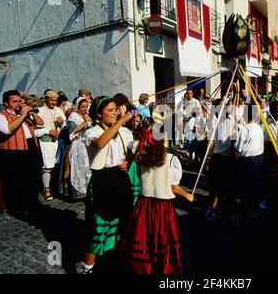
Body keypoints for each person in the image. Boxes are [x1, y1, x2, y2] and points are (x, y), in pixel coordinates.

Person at [120, 117, 193, 274]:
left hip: (143, 205)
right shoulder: (171, 159)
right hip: (163, 208)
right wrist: (187, 195)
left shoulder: (140, 158)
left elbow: (140, 177)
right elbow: (173, 187)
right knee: (162, 239)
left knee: (144, 238)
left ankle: (143, 268)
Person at [77, 96, 134, 274]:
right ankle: (87, 267)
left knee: (121, 223)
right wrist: (122, 121)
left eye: (116, 109)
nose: (115, 113)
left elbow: (132, 153)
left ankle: (115, 259)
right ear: (98, 113)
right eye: (109, 110)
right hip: (102, 182)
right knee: (98, 227)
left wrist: (129, 162)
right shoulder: (91, 132)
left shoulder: (125, 132)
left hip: (121, 180)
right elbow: (100, 143)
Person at [0, 90, 44, 220]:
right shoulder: (0, 116)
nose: (18, 104)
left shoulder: (25, 114)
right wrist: (21, 116)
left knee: (33, 178)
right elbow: (6, 130)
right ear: (6, 103)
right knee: (16, 181)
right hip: (13, 152)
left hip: (30, 147)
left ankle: (33, 204)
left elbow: (40, 123)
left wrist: (31, 112)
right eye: (14, 101)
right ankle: (17, 208)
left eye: (19, 101)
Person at [36, 90, 67, 201]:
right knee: (47, 167)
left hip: (58, 142)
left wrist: (62, 122)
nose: (54, 102)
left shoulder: (58, 110)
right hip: (46, 142)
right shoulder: (39, 111)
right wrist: (48, 131)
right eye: (51, 100)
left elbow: (64, 125)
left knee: (56, 166)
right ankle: (46, 189)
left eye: (55, 100)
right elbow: (34, 131)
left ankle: (54, 187)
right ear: (46, 99)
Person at [67, 97, 92, 200]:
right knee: (80, 167)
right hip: (78, 145)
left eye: (86, 106)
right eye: (82, 107)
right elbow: (72, 133)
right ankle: (81, 191)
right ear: (78, 106)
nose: (84, 109)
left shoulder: (87, 115)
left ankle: (89, 190)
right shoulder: (73, 116)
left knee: (88, 167)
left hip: (87, 144)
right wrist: (85, 122)